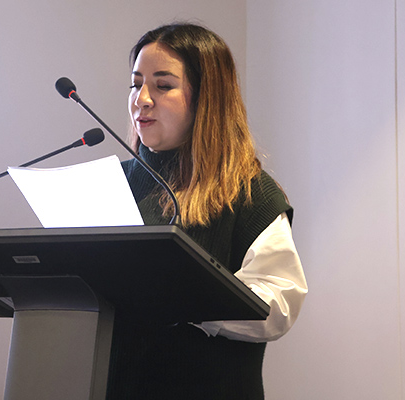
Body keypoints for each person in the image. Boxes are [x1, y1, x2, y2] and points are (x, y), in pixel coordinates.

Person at [106, 23, 308, 399]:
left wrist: (187, 300)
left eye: (163, 85)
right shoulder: (110, 185)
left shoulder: (250, 193)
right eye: (136, 84)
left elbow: (279, 304)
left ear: (207, 99)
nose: (141, 99)